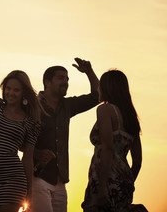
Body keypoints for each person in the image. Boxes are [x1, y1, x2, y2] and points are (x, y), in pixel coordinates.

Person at [0, 29, 41, 212]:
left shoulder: (31, 122)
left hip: (12, 181)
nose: (11, 93)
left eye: (16, 90)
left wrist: (29, 191)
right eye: (8, 89)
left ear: (24, 94)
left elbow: (27, 158)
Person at [32, 60, 99, 212]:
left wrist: (89, 71)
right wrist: (37, 152)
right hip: (37, 177)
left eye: (67, 78)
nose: (66, 82)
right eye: (61, 78)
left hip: (60, 180)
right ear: (47, 82)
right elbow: (17, 139)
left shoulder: (67, 105)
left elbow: (97, 96)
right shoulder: (32, 106)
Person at [81, 69, 143, 212]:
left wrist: (103, 185)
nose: (98, 88)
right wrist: (127, 183)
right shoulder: (131, 117)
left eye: (101, 85)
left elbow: (108, 147)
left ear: (107, 88)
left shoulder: (105, 109)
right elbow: (138, 161)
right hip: (125, 179)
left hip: (104, 177)